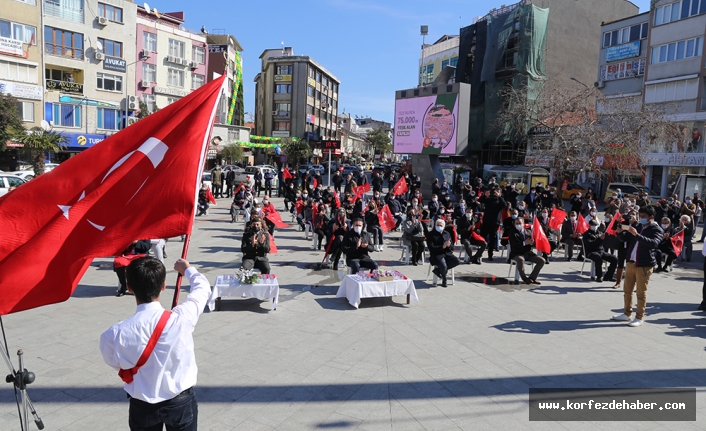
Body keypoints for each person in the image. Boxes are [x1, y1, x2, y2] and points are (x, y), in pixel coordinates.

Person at [100, 257, 209, 431]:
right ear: (164, 285)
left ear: (129, 288)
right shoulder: (181, 319)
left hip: (142, 405)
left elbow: (115, 363)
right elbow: (202, 290)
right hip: (180, 401)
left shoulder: (114, 334)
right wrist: (187, 269)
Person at [612, 206, 662, 327]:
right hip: (631, 262)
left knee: (641, 293)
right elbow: (627, 237)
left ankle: (639, 317)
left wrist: (637, 235)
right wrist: (620, 233)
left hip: (644, 264)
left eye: (644, 217)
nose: (641, 219)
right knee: (627, 290)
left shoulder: (657, 229)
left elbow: (653, 243)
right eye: (641, 216)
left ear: (651, 217)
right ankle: (626, 313)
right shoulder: (638, 226)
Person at [508, 217, 544, 285]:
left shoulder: (528, 231)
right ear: (514, 224)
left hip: (527, 253)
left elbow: (532, 244)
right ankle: (524, 278)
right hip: (517, 253)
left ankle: (532, 278)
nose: (518, 225)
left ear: (523, 223)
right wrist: (524, 243)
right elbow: (514, 244)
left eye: (520, 223)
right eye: (517, 223)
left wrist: (533, 242)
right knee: (521, 260)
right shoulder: (512, 232)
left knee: (542, 260)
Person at [426, 219, 460, 287]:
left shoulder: (447, 233)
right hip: (436, 254)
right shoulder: (431, 234)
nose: (439, 227)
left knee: (457, 261)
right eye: (437, 225)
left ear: (444, 227)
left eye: (440, 225)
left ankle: (438, 271)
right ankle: (444, 279)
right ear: (435, 226)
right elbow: (431, 248)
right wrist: (443, 247)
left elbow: (452, 246)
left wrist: (449, 245)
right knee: (443, 265)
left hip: (447, 253)